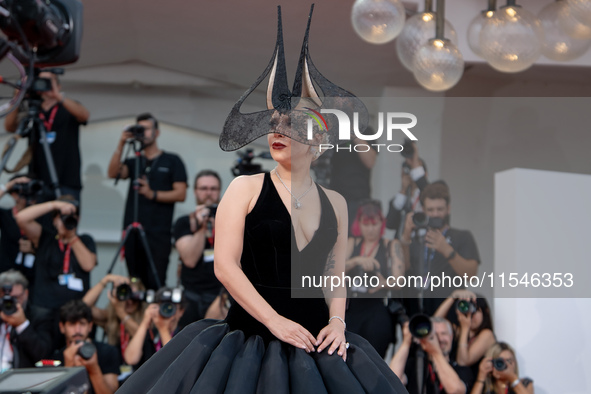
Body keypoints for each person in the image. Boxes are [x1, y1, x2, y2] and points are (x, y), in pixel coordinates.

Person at [117, 6, 406, 393]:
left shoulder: (336, 201)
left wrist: (337, 322)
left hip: (317, 338)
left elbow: (334, 275)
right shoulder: (245, 188)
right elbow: (225, 267)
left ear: (318, 143)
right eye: (274, 124)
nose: (278, 130)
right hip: (250, 339)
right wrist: (275, 322)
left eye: (292, 124)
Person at [107, 113, 187, 290]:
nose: (142, 133)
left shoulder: (172, 161)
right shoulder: (134, 160)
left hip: (158, 234)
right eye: (139, 129)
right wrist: (121, 143)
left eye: (146, 129)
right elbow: (113, 173)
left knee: (155, 282)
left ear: (157, 133)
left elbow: (181, 194)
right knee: (134, 282)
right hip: (132, 232)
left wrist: (153, 194)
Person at [4, 71, 90, 202]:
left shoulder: (67, 107)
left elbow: (84, 115)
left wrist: (57, 96)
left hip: (66, 180)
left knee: (64, 219)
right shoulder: (32, 110)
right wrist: (18, 96)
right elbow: (9, 127)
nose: (44, 85)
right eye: (40, 81)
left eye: (49, 81)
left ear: (58, 86)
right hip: (37, 181)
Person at [400, 182, 481, 315]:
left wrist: (446, 249)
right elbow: (404, 268)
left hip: (450, 314)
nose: (435, 214)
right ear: (423, 210)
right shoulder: (416, 239)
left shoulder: (462, 236)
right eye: (430, 210)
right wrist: (405, 236)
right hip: (417, 312)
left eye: (440, 209)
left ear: (448, 209)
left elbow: (471, 275)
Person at [345, 199, 405, 357]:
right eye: (366, 224)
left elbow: (400, 280)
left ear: (382, 224)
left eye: (375, 224)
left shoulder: (390, 245)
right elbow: (333, 270)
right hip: (352, 306)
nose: (371, 229)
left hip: (377, 305)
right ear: (359, 224)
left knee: (374, 357)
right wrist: (356, 261)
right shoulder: (353, 242)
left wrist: (383, 283)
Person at [15, 196, 97, 312]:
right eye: (61, 217)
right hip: (44, 308)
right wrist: (54, 205)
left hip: (75, 312)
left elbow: (88, 265)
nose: (65, 221)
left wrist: (71, 237)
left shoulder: (85, 240)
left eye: (71, 217)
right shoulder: (45, 238)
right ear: (54, 220)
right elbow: (21, 218)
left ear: (77, 219)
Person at [173, 170, 223, 327]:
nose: (208, 193)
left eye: (213, 189)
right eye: (203, 188)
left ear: (220, 191)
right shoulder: (184, 222)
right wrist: (201, 228)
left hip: (220, 296)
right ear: (195, 191)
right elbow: (189, 260)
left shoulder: (230, 218)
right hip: (191, 297)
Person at [390, 317, 474, 394]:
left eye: (443, 333)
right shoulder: (414, 364)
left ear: (451, 337)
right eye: (434, 334)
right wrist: (406, 342)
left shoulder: (462, 370)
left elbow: (456, 391)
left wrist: (435, 352)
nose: (440, 339)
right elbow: (392, 380)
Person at [53, 300, 120, 394]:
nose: (77, 330)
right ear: (62, 327)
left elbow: (113, 392)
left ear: (90, 326)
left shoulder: (108, 351)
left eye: (82, 324)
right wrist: (69, 368)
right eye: (72, 324)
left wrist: (94, 369)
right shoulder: (56, 358)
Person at [434, 290, 496, 377]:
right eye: (467, 311)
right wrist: (452, 297)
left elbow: (462, 362)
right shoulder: (461, 331)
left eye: (474, 311)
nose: (471, 315)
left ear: (485, 311)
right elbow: (435, 323)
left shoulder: (487, 334)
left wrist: (465, 327)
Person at [0, 270, 53, 370]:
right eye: (6, 299)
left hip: (21, 379)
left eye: (15, 298)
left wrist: (22, 325)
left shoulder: (40, 316)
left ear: (26, 294)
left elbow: (43, 357)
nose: (10, 303)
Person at [82, 274, 146, 356]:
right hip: (115, 365)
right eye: (125, 295)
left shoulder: (147, 317)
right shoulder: (110, 316)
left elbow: (142, 337)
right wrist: (105, 280)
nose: (129, 301)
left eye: (133, 296)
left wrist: (121, 313)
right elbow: (83, 308)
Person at [122, 287, 186, 368]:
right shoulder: (150, 334)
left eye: (171, 306)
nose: (166, 309)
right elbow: (131, 359)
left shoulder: (186, 334)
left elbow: (176, 362)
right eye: (163, 305)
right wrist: (145, 322)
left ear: (181, 311)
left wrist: (163, 329)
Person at [0, 175, 38, 285]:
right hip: (6, 273)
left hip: (33, 277)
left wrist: (33, 250)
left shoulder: (41, 217)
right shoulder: (5, 215)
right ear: (14, 194)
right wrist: (9, 185)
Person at [385, 141, 429, 237]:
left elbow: (427, 191)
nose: (411, 173)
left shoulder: (429, 194)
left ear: (424, 174)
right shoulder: (400, 199)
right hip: (403, 242)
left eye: (415, 169)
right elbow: (390, 224)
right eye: (408, 169)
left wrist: (415, 161)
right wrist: (403, 190)